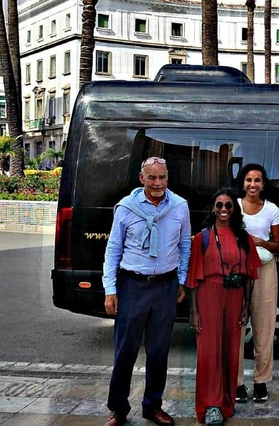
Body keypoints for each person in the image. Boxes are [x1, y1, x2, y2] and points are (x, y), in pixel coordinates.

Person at [102, 156, 191, 426]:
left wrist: (182, 281)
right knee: (125, 351)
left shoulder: (179, 207)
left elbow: (184, 245)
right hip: (132, 285)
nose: (157, 183)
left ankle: (153, 406)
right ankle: (118, 409)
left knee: (159, 351)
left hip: (165, 286)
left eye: (162, 177)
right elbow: (113, 249)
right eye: (151, 177)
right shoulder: (127, 208)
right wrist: (110, 288)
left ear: (168, 178)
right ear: (142, 179)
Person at [187, 188, 262, 425]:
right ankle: (210, 405)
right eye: (219, 205)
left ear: (234, 209)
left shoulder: (244, 238)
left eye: (228, 206)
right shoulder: (203, 238)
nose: (223, 210)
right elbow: (193, 279)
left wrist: (246, 306)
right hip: (209, 293)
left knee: (230, 350)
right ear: (213, 208)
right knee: (209, 351)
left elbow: (250, 274)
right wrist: (194, 311)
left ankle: (226, 402)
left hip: (235, 295)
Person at [235, 163, 279, 403]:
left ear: (264, 184)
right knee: (236, 327)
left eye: (257, 180)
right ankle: (236, 384)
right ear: (242, 183)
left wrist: (258, 242)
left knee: (264, 328)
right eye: (248, 180)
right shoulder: (233, 206)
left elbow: (278, 245)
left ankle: (261, 381)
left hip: (264, 269)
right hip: (236, 271)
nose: (252, 184)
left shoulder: (272, 209)